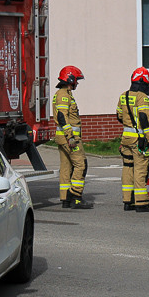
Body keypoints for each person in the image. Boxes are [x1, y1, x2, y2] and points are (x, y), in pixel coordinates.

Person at [53, 65, 92, 209]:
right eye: (76, 80)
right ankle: (75, 195)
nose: (77, 83)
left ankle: (65, 199)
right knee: (81, 164)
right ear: (70, 79)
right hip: (69, 138)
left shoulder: (64, 93)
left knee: (66, 167)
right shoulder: (63, 95)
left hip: (62, 137)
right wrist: (70, 137)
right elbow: (62, 117)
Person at [116, 67, 149, 212]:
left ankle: (128, 201)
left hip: (125, 138)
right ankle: (141, 202)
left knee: (128, 168)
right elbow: (144, 118)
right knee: (140, 169)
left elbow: (118, 116)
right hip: (139, 139)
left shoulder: (123, 95)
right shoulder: (142, 97)